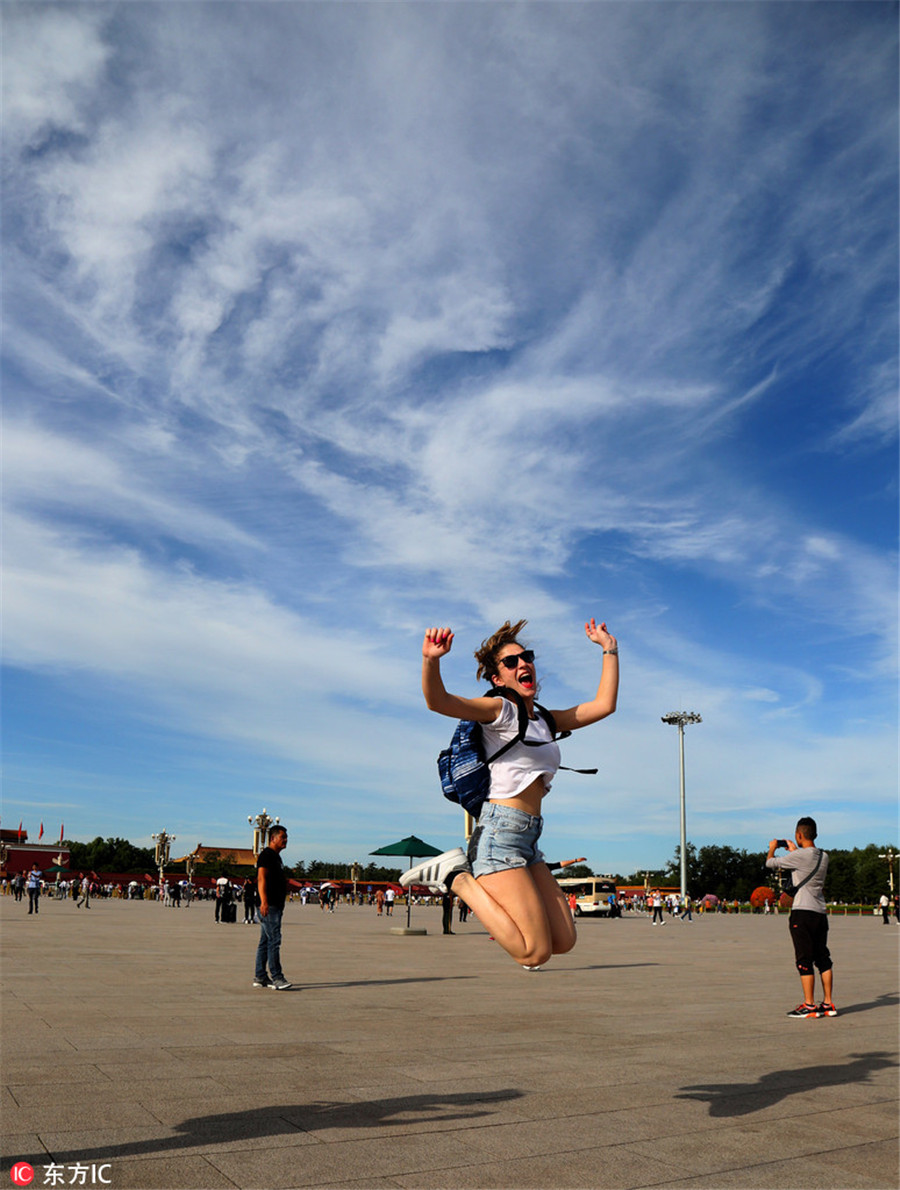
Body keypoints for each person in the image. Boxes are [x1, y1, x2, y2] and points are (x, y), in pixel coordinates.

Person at [401, 617, 618, 969]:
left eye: (526, 656)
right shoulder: (500, 709)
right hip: (500, 835)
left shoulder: (545, 720)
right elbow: (438, 701)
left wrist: (609, 649)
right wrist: (431, 660)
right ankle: (457, 879)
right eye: (511, 661)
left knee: (563, 941)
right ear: (497, 678)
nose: (523, 663)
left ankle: (460, 876)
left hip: (529, 838)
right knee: (533, 953)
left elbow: (604, 705)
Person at [766, 818, 836, 1018]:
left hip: (802, 912)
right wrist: (795, 850)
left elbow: (770, 863)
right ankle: (828, 1003)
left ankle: (809, 1005)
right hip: (820, 912)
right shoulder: (824, 856)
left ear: (799, 835)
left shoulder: (799, 856)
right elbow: (806, 860)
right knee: (823, 958)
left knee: (803, 959)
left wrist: (772, 848)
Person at [254, 825, 292, 990]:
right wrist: (264, 901)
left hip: (275, 905)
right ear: (273, 838)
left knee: (265, 941)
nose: (285, 840)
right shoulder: (266, 855)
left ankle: (260, 976)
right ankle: (277, 977)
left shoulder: (276, 857)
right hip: (269, 905)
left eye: (286, 837)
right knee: (274, 941)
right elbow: (261, 878)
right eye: (282, 837)